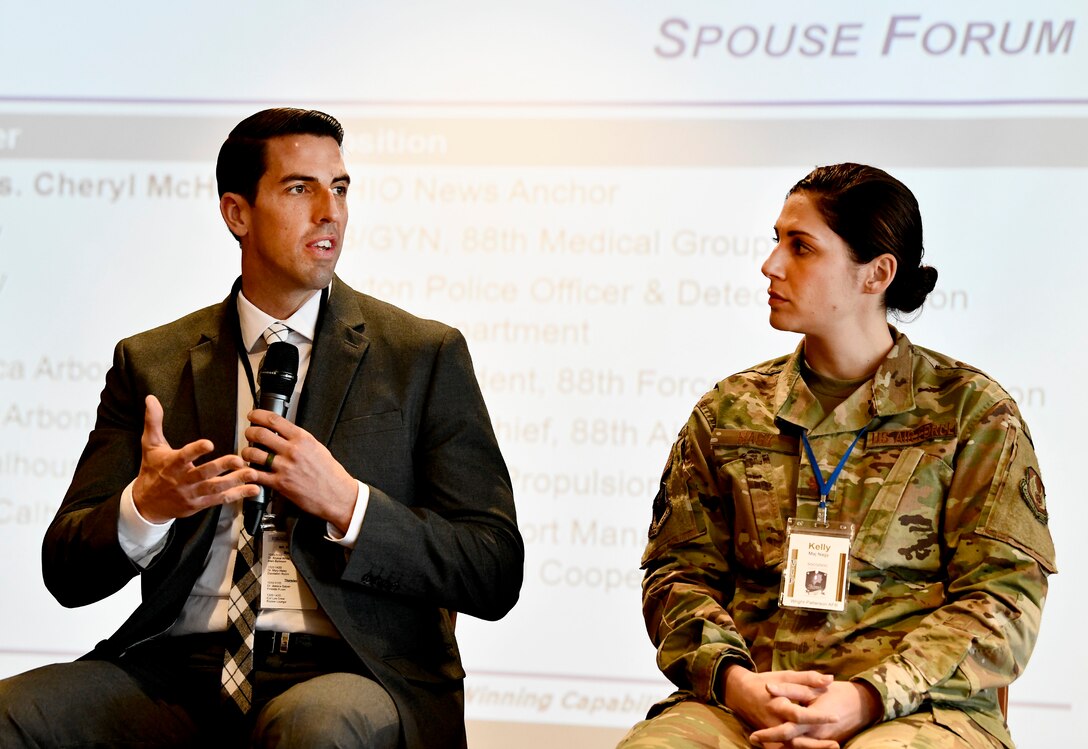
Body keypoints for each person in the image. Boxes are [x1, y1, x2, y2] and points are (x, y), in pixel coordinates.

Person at [0, 108, 523, 748]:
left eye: (341, 187)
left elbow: (494, 568)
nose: (330, 210)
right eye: (300, 188)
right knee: (15, 713)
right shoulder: (153, 363)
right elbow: (66, 571)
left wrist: (349, 505)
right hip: (179, 671)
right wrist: (146, 508)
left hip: (351, 671)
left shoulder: (420, 355)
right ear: (237, 214)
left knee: (314, 727)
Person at [618, 163, 1055, 749]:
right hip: (746, 703)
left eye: (800, 247)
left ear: (876, 274)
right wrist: (738, 682)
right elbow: (678, 575)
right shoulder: (728, 411)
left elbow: (1004, 596)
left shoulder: (971, 413)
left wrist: (868, 696)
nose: (771, 264)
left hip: (917, 710)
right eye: (775, 241)